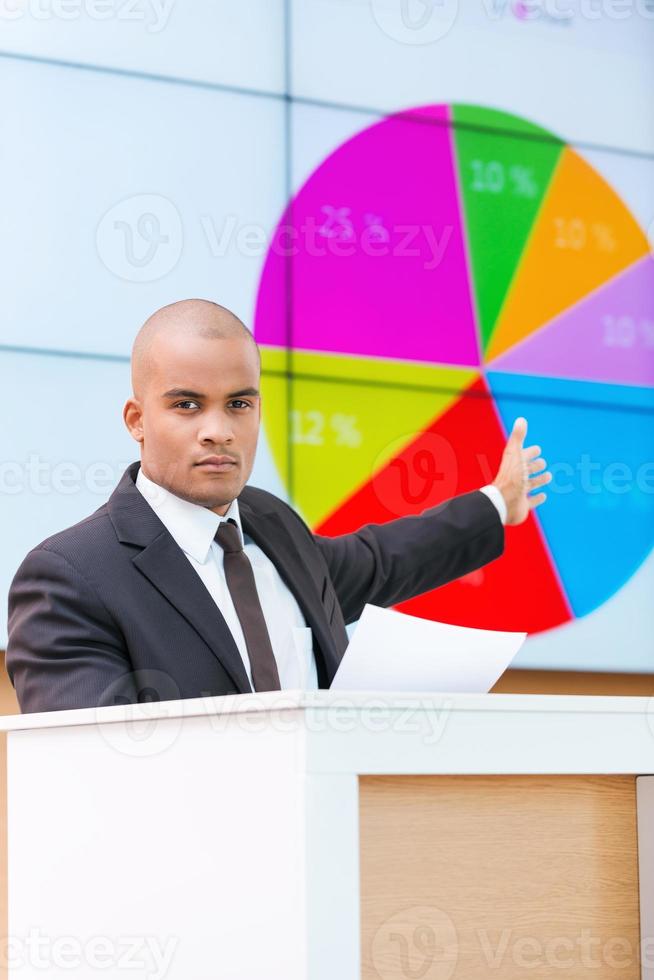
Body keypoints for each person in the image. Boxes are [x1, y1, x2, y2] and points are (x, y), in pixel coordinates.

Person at [6, 300, 552, 713]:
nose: (217, 431)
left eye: (239, 404)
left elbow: (380, 560)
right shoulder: (69, 578)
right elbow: (94, 770)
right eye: (187, 405)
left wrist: (496, 503)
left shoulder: (271, 524)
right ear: (136, 420)